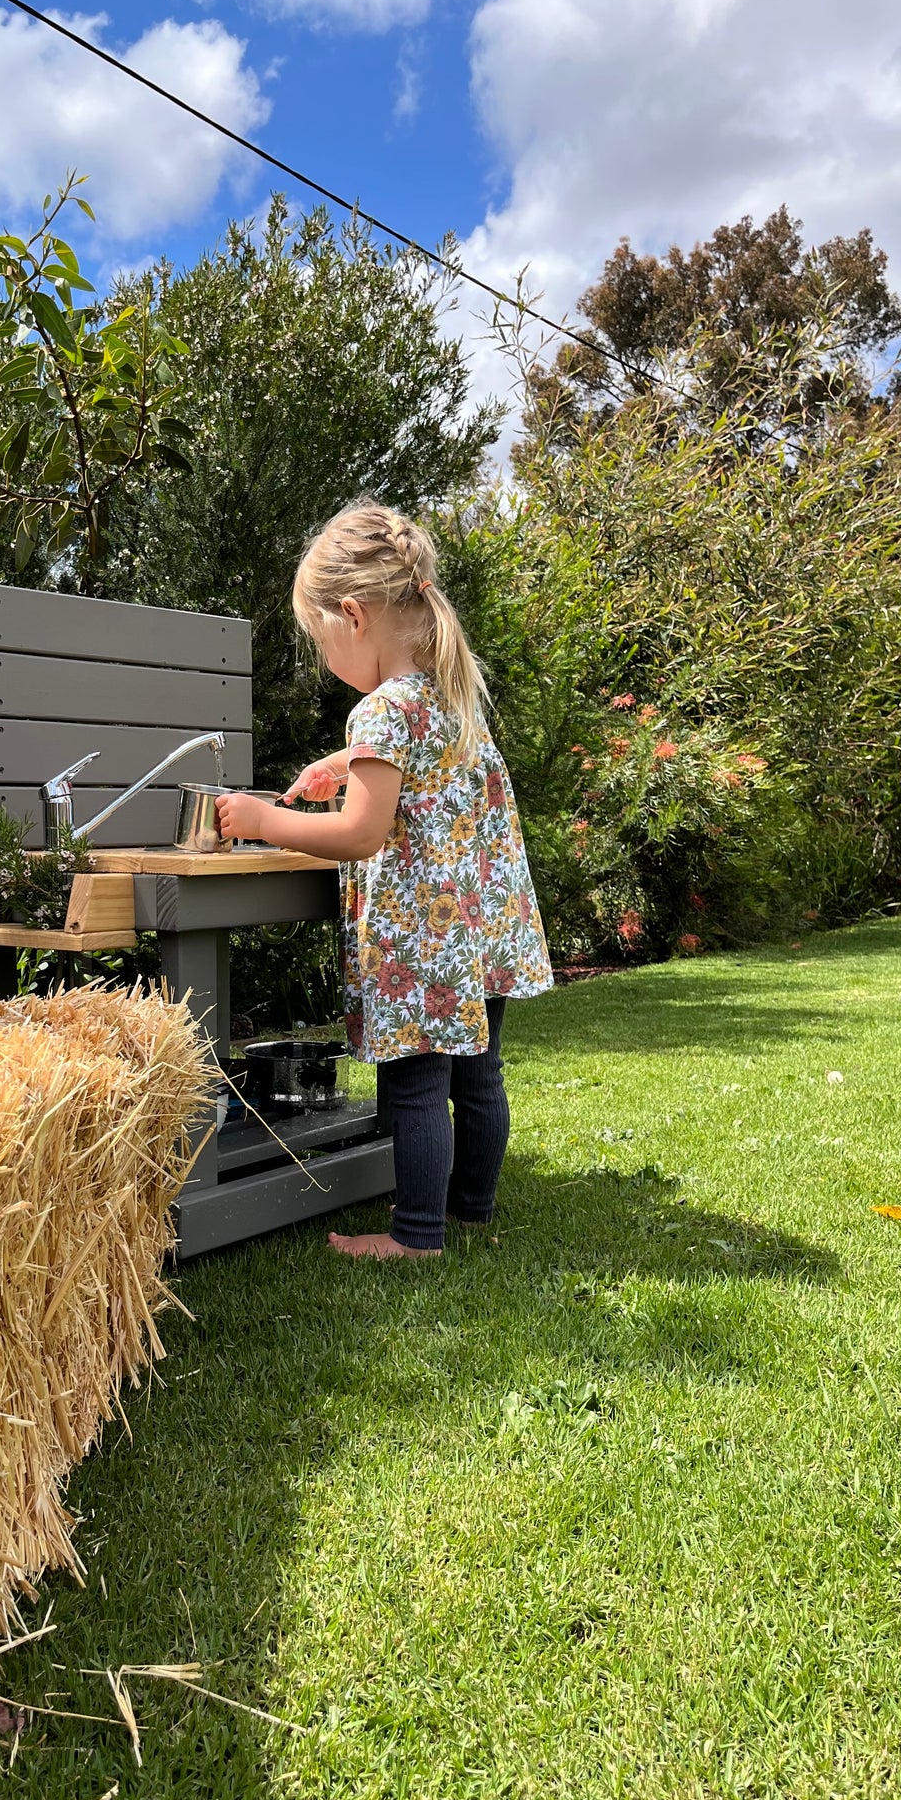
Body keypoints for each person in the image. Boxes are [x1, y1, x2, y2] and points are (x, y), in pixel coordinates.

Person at [216, 501, 553, 1259]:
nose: (322, 654)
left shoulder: (380, 710)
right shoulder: (448, 694)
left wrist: (262, 821)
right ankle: (471, 1208)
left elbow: (359, 832)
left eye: (318, 639)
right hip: (479, 928)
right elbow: (428, 778)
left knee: (416, 1083)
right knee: (478, 1075)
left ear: (351, 614)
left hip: (422, 938)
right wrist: (343, 765)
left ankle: (416, 1236)